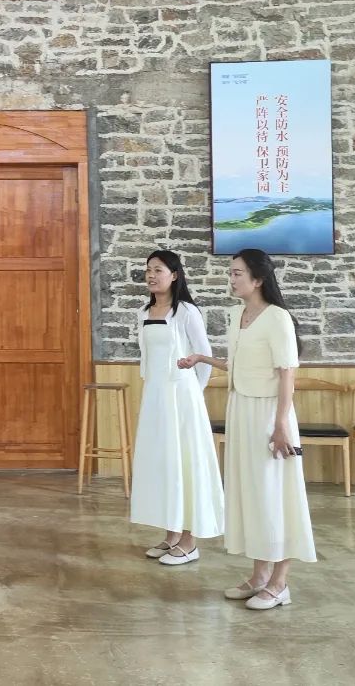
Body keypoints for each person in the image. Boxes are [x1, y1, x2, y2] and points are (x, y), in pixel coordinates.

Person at [179, 248, 315, 610]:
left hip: (269, 414)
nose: (231, 278)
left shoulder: (278, 318)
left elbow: (287, 373)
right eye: (231, 272)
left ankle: (280, 583)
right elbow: (237, 365)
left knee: (275, 495)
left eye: (237, 273)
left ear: (258, 279)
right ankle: (258, 576)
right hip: (241, 409)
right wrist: (201, 358)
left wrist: (281, 424)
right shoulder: (236, 315)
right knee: (252, 495)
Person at [130, 250, 224, 566]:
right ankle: (171, 535)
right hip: (155, 397)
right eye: (148, 270)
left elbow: (204, 356)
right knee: (163, 463)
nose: (151, 275)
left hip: (182, 399)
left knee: (185, 463)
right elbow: (146, 359)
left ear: (174, 275)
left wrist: (193, 393)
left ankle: (189, 541)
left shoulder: (186, 312)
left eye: (158, 270)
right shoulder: (143, 312)